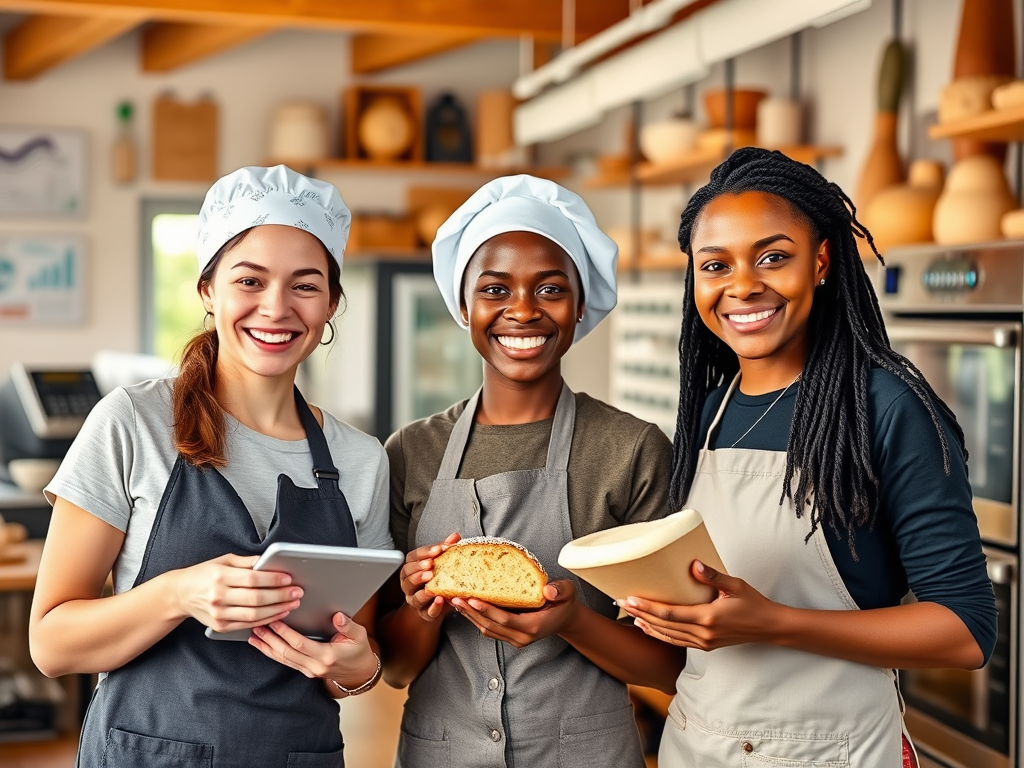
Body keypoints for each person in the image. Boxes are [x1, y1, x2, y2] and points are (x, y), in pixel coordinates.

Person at [616, 147, 998, 768]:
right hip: (699, 747)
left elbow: (966, 631)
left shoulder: (885, 407)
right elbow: (690, 650)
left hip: (834, 751)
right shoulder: (708, 412)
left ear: (820, 260)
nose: (743, 285)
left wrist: (775, 623)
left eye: (773, 256)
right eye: (716, 265)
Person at [29, 165, 393, 768]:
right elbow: (50, 643)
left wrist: (358, 667)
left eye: (305, 286)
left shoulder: (361, 460)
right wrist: (178, 593)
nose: (275, 309)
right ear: (208, 290)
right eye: (249, 280)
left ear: (330, 303)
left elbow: (356, 654)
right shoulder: (133, 423)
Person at [377, 175, 685, 768]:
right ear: (465, 306)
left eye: (550, 288)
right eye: (495, 289)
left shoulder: (631, 450)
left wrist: (571, 621)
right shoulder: (411, 452)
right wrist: (422, 611)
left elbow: (671, 666)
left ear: (579, 304)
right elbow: (395, 668)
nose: (522, 310)